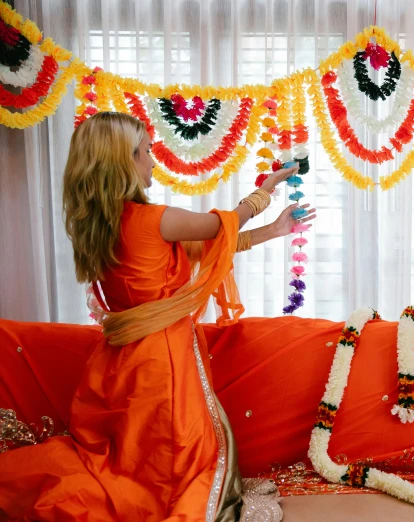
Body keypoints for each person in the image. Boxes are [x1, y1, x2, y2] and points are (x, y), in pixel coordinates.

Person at [0, 111, 315, 521]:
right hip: (161, 362)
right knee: (170, 461)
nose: (153, 161)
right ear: (123, 160)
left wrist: (274, 231)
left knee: (132, 458)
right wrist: (264, 192)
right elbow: (222, 226)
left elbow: (206, 247)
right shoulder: (155, 220)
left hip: (120, 361)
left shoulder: (104, 223)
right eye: (147, 151)